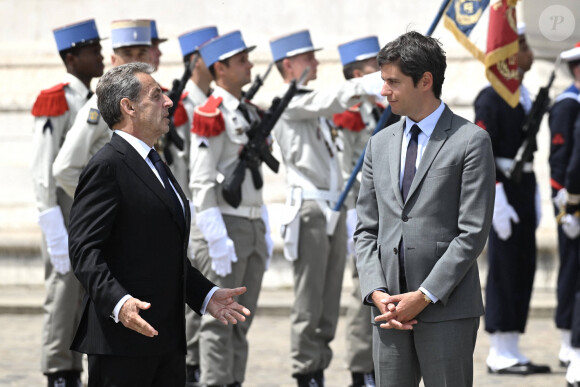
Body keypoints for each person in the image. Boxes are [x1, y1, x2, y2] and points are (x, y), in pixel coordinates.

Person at [67, 62, 251, 387]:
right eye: (157, 95)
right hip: (122, 342)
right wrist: (120, 303)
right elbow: (84, 250)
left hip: (165, 339)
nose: (168, 102)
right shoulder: (107, 166)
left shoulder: (155, 163)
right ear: (129, 107)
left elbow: (164, 252)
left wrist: (206, 295)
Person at [354, 31, 495, 387]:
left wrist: (424, 295)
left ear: (425, 81)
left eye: (393, 82)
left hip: (447, 310)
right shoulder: (378, 144)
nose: (384, 91)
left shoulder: (470, 141)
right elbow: (366, 229)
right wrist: (376, 292)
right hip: (387, 312)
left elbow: (472, 233)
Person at [269, 30, 383, 387]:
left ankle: (321, 363)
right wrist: (371, 81)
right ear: (289, 65)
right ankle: (307, 371)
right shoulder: (289, 100)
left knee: (329, 299)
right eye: (309, 58)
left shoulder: (311, 104)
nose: (316, 63)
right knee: (309, 300)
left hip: (332, 208)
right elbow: (332, 98)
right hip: (309, 210)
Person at [190, 31, 272, 387]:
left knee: (242, 321)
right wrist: (216, 236)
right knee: (218, 322)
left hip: (251, 227)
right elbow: (201, 181)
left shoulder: (249, 113)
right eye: (242, 61)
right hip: (225, 227)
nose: (250, 65)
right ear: (220, 68)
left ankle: (233, 381)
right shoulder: (210, 113)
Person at [30, 19, 104, 387]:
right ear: (71, 57)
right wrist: (50, 220)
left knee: (85, 295)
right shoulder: (56, 98)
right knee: (62, 295)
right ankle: (60, 370)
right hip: (63, 210)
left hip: (87, 213)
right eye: (93, 51)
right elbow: (44, 165)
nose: (101, 56)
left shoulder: (95, 98)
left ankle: (78, 368)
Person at [474, 23, 551, 376]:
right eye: (521, 45)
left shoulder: (525, 96)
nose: (529, 53)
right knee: (504, 269)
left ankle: (513, 347)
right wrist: (496, 198)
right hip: (503, 185)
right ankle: (498, 352)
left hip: (523, 185)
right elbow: (482, 153)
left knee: (523, 267)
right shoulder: (490, 98)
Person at [332, 35, 398, 387]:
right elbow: (348, 169)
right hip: (361, 212)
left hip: (385, 213)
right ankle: (361, 367)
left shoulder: (381, 110)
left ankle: (378, 362)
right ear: (358, 72)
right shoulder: (349, 115)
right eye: (375, 68)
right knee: (364, 289)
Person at [53, 19, 154, 198]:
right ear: (114, 61)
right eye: (128, 54)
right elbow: (64, 168)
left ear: (150, 58)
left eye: (142, 53)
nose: (136, 61)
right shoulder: (100, 105)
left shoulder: (155, 102)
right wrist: (99, 203)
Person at [175, 25, 219, 387]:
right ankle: (190, 369)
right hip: (184, 209)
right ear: (194, 62)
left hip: (202, 210)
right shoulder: (178, 104)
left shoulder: (212, 102)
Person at [549, 42, 580, 387]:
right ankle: (567, 341)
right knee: (571, 274)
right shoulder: (568, 104)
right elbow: (562, 158)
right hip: (569, 201)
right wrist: (566, 206)